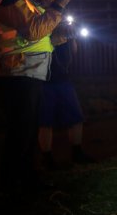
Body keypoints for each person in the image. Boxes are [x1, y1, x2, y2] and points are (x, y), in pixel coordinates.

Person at [0, 0, 71, 192]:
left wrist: (61, 37)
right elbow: (34, 31)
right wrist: (58, 8)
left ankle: (26, 178)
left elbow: (40, 35)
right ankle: (11, 183)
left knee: (27, 131)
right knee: (21, 132)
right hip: (18, 72)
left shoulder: (24, 0)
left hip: (29, 72)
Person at [38, 22, 96, 169]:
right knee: (45, 121)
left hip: (62, 79)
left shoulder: (66, 34)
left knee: (75, 117)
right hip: (44, 80)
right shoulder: (42, 28)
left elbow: (73, 52)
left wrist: (71, 37)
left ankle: (76, 153)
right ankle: (47, 159)